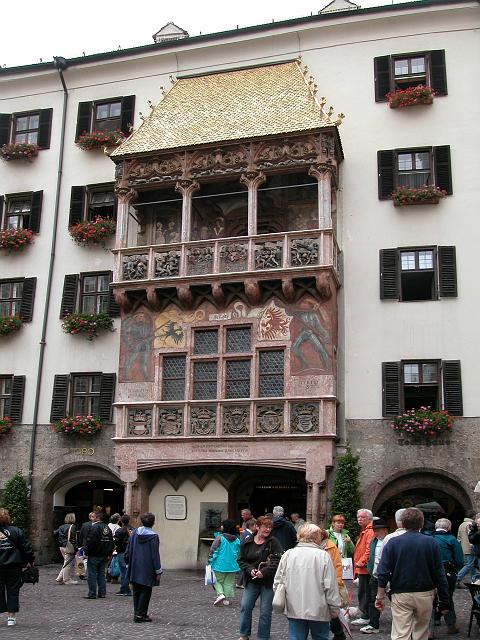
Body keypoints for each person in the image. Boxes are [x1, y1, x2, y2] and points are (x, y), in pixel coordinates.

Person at [375, 507, 450, 640]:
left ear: (402, 524)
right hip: (425, 593)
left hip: (400, 592)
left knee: (400, 633)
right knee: (421, 632)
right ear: (421, 523)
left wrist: (380, 596)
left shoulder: (393, 542)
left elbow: (383, 572)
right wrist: (444, 599)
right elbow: (439, 573)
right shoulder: (431, 542)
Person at [273, 522, 341, 640]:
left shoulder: (288, 554)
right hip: (319, 608)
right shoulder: (323, 556)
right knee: (320, 637)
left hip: (294, 607)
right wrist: (334, 607)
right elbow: (330, 585)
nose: (321, 538)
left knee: (296, 637)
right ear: (315, 537)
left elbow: (278, 581)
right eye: (320, 536)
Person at [238, 515, 283, 640]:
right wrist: (249, 569)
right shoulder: (247, 541)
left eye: (270, 527)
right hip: (252, 581)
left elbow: (278, 560)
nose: (268, 530)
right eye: (265, 527)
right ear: (257, 527)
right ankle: (244, 634)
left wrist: (264, 571)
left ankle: (263, 637)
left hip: (268, 582)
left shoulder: (273, 542)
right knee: (245, 607)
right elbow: (241, 560)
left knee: (265, 611)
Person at [0, 507, 35, 628]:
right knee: (13, 590)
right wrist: (30, 560)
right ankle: (11, 617)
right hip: (14, 566)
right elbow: (26, 547)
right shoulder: (16, 531)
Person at [125, 512, 162, 623]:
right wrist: (158, 570)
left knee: (136, 590)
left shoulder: (135, 533)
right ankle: (141, 615)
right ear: (153, 522)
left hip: (135, 565)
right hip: (147, 567)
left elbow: (128, 549)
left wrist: (128, 563)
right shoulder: (153, 536)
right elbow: (155, 555)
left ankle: (137, 612)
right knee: (146, 591)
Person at [430, 517, 464, 635]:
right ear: (449, 527)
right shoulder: (452, 540)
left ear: (436, 527)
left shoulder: (430, 539)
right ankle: (451, 625)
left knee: (431, 599)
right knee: (447, 598)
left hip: (431, 572)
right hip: (447, 572)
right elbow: (460, 560)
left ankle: (430, 630)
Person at [318, 528, 348, 640]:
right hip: (318, 583)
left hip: (330, 582)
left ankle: (338, 633)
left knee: (332, 609)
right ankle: (338, 633)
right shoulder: (311, 546)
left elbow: (337, 565)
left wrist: (338, 582)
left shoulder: (330, 546)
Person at [360, 517, 389, 635]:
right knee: (373, 600)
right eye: (374, 530)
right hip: (375, 576)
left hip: (390, 576)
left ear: (385, 530)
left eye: (378, 530)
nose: (375, 533)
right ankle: (373, 624)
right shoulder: (374, 541)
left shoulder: (390, 540)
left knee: (396, 600)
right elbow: (370, 556)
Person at [208, 519, 241, 606]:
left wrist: (210, 560)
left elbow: (213, 550)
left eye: (223, 525)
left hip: (219, 564)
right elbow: (239, 552)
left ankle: (220, 594)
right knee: (228, 583)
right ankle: (225, 599)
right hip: (233, 566)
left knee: (216, 580)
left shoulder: (220, 537)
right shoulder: (237, 539)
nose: (221, 526)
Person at [351, 509, 375, 626]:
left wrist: (361, 562)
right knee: (364, 591)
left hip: (365, 568)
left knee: (364, 592)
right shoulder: (365, 530)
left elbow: (369, 550)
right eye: (358, 517)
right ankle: (366, 614)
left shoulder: (369, 531)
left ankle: (365, 615)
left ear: (369, 518)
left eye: (362, 517)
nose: (359, 519)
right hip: (362, 568)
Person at [84, 511, 114, 599]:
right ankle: (102, 592)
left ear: (97, 518)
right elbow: (111, 542)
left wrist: (87, 552)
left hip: (94, 554)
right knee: (101, 574)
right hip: (104, 554)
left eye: (93, 517)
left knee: (92, 574)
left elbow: (91, 541)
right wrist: (109, 553)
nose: (91, 519)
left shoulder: (95, 527)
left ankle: (92, 593)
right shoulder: (107, 527)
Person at [54, 512, 78, 585]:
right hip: (69, 547)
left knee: (66, 562)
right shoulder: (73, 526)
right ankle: (67, 579)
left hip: (62, 546)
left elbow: (55, 533)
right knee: (68, 564)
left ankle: (60, 578)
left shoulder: (61, 526)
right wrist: (75, 549)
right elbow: (73, 539)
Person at [114, 514, 132, 596]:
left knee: (123, 571)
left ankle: (124, 589)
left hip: (122, 552)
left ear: (121, 521)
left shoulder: (120, 531)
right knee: (128, 571)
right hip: (131, 552)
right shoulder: (133, 529)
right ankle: (127, 588)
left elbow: (116, 542)